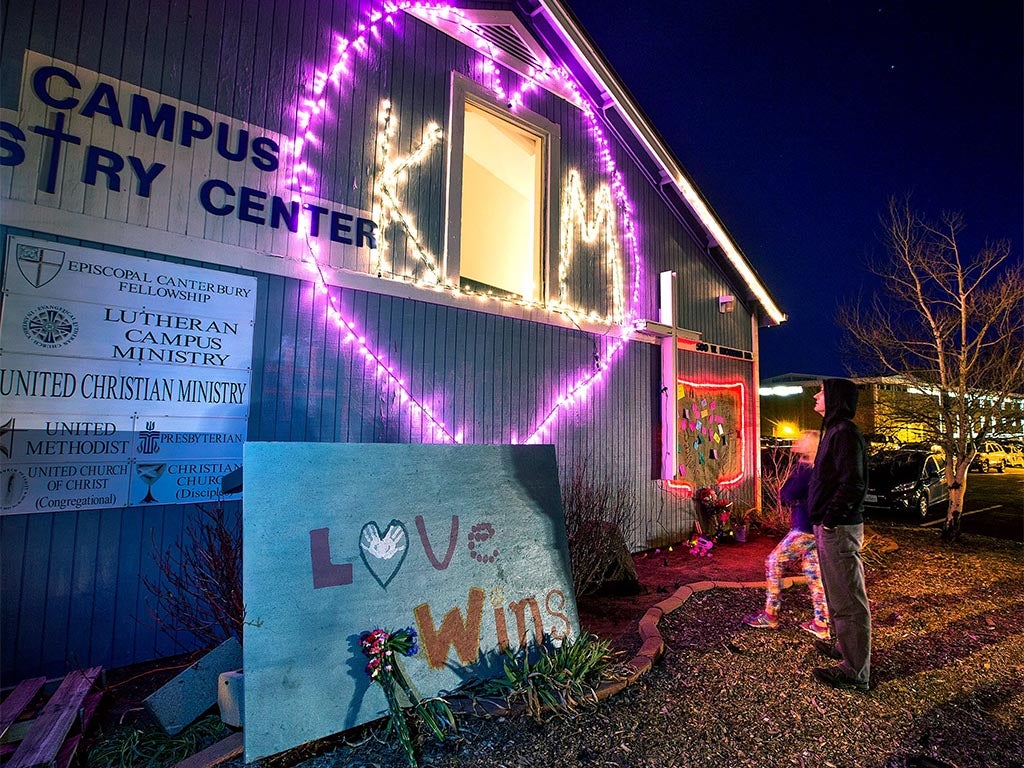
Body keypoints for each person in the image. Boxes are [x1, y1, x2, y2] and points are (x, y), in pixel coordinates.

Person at [807, 378, 871, 692]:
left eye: (820, 391)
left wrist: (831, 520)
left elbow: (854, 483)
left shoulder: (845, 434)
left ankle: (855, 672)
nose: (816, 395)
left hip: (839, 529)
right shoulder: (833, 431)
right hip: (828, 527)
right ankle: (846, 650)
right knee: (837, 595)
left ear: (834, 398)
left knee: (849, 598)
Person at [742, 431, 830, 638]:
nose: (797, 443)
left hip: (804, 529)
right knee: (814, 573)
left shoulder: (806, 470)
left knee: (773, 561)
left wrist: (799, 466)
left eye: (802, 441)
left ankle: (770, 614)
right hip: (817, 529)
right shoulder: (822, 469)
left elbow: (787, 494)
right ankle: (821, 623)